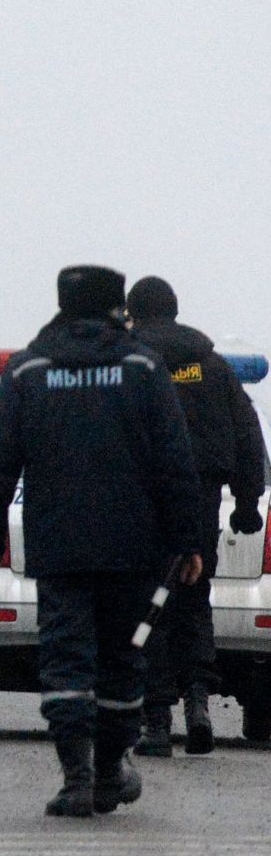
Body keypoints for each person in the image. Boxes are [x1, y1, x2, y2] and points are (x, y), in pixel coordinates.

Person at [0, 265, 203, 818]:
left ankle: (75, 777)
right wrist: (186, 542)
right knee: (123, 660)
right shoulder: (143, 369)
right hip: (131, 548)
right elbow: (175, 463)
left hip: (59, 547)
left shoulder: (29, 371)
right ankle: (106, 774)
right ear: (115, 307)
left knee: (66, 659)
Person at [124, 275, 267, 757]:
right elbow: (248, 438)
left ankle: (157, 721)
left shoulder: (129, 364)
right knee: (193, 597)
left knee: (150, 605)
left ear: (133, 314)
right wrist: (247, 504)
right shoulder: (214, 369)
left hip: (143, 504)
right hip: (201, 503)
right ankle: (200, 705)